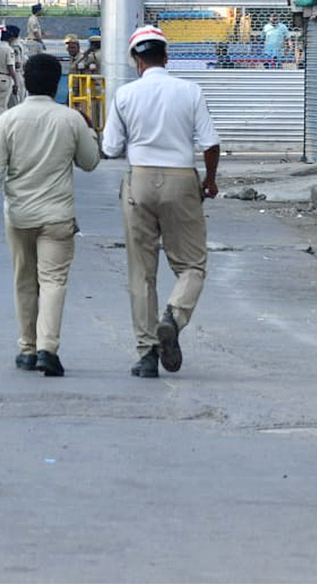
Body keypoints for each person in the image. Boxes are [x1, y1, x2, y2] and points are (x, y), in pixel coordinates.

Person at [101, 25, 220, 379]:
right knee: (192, 265)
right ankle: (174, 315)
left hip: (138, 180)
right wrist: (210, 181)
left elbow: (109, 148)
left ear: (136, 60)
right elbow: (210, 144)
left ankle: (147, 353)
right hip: (182, 179)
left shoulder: (124, 95)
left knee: (142, 272)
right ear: (166, 57)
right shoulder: (190, 91)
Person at [0, 53, 101, 376]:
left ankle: (27, 349)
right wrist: (90, 130)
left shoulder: (9, 119)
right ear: (57, 83)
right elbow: (90, 162)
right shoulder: (70, 118)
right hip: (58, 216)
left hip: (19, 215)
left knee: (24, 281)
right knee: (53, 281)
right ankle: (49, 348)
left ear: (25, 82)